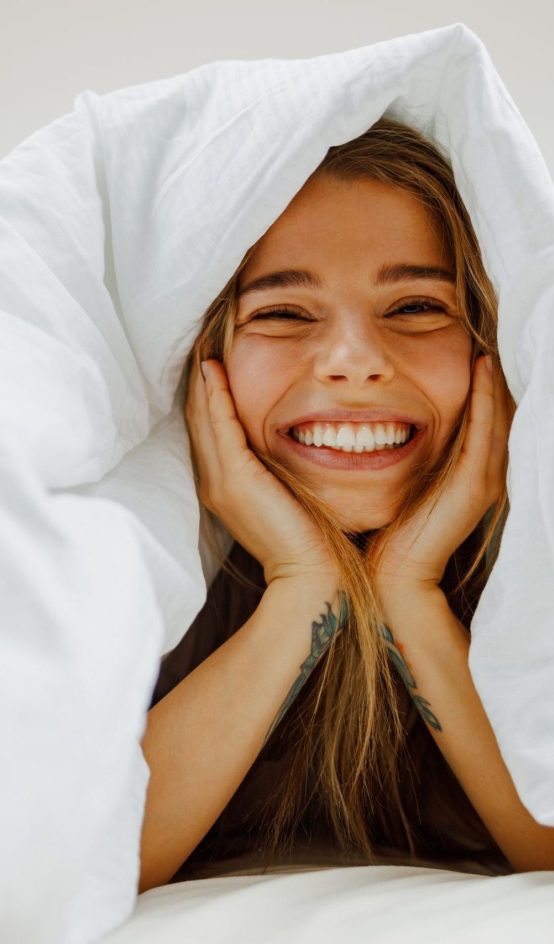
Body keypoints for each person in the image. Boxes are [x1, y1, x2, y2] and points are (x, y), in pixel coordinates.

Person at [137, 115, 521, 892]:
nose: (355, 362)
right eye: (282, 313)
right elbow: (63, 864)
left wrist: (408, 587)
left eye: (416, 307)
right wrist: (303, 581)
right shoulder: (125, 563)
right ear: (205, 360)